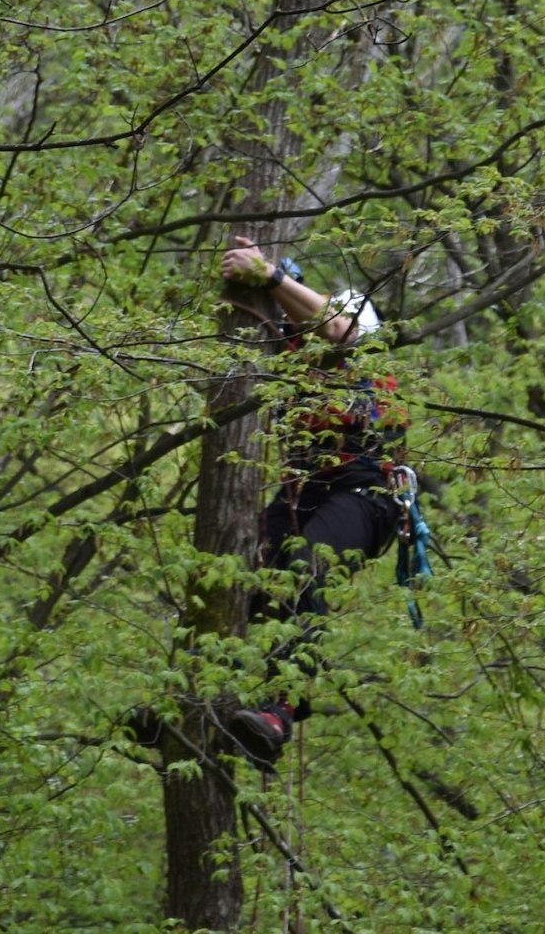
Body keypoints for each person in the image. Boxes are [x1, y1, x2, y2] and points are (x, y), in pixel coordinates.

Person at [215, 234, 406, 771]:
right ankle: (196, 699)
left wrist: (272, 274)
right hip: (306, 490)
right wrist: (254, 276)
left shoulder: (367, 360)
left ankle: (281, 706)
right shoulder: (304, 362)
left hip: (365, 494)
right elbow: (291, 322)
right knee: (232, 572)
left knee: (305, 565)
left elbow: (335, 326)